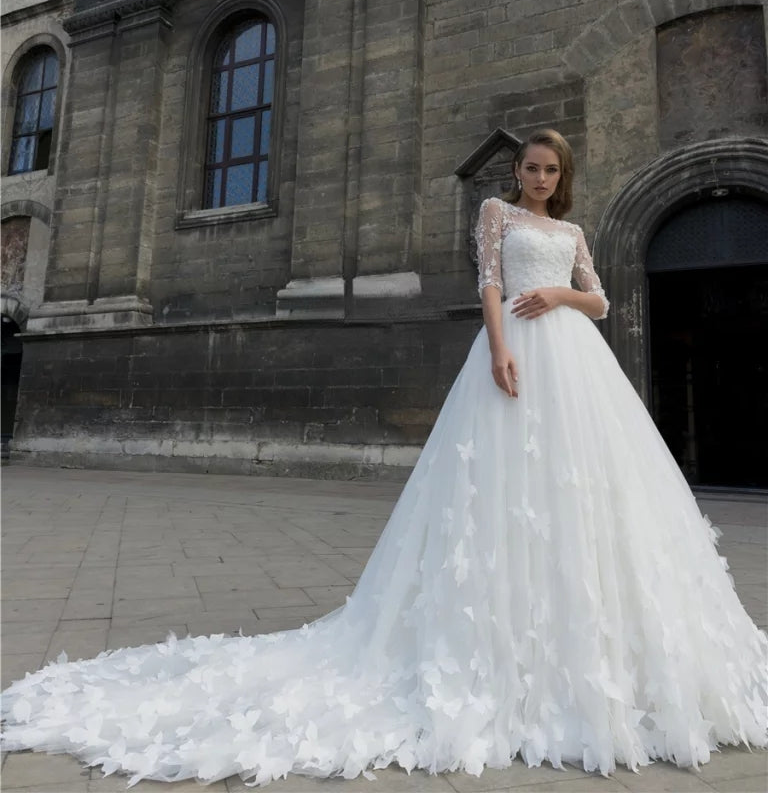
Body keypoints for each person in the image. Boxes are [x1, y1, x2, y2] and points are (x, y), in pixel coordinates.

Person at [2, 129, 766, 787]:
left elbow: (600, 300)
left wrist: (563, 299)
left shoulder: (571, 235)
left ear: (561, 180)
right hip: (518, 356)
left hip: (575, 358)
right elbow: (491, 285)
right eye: (531, 167)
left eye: (550, 171)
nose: (539, 178)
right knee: (502, 486)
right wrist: (499, 349)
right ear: (516, 174)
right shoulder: (496, 214)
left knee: (589, 493)